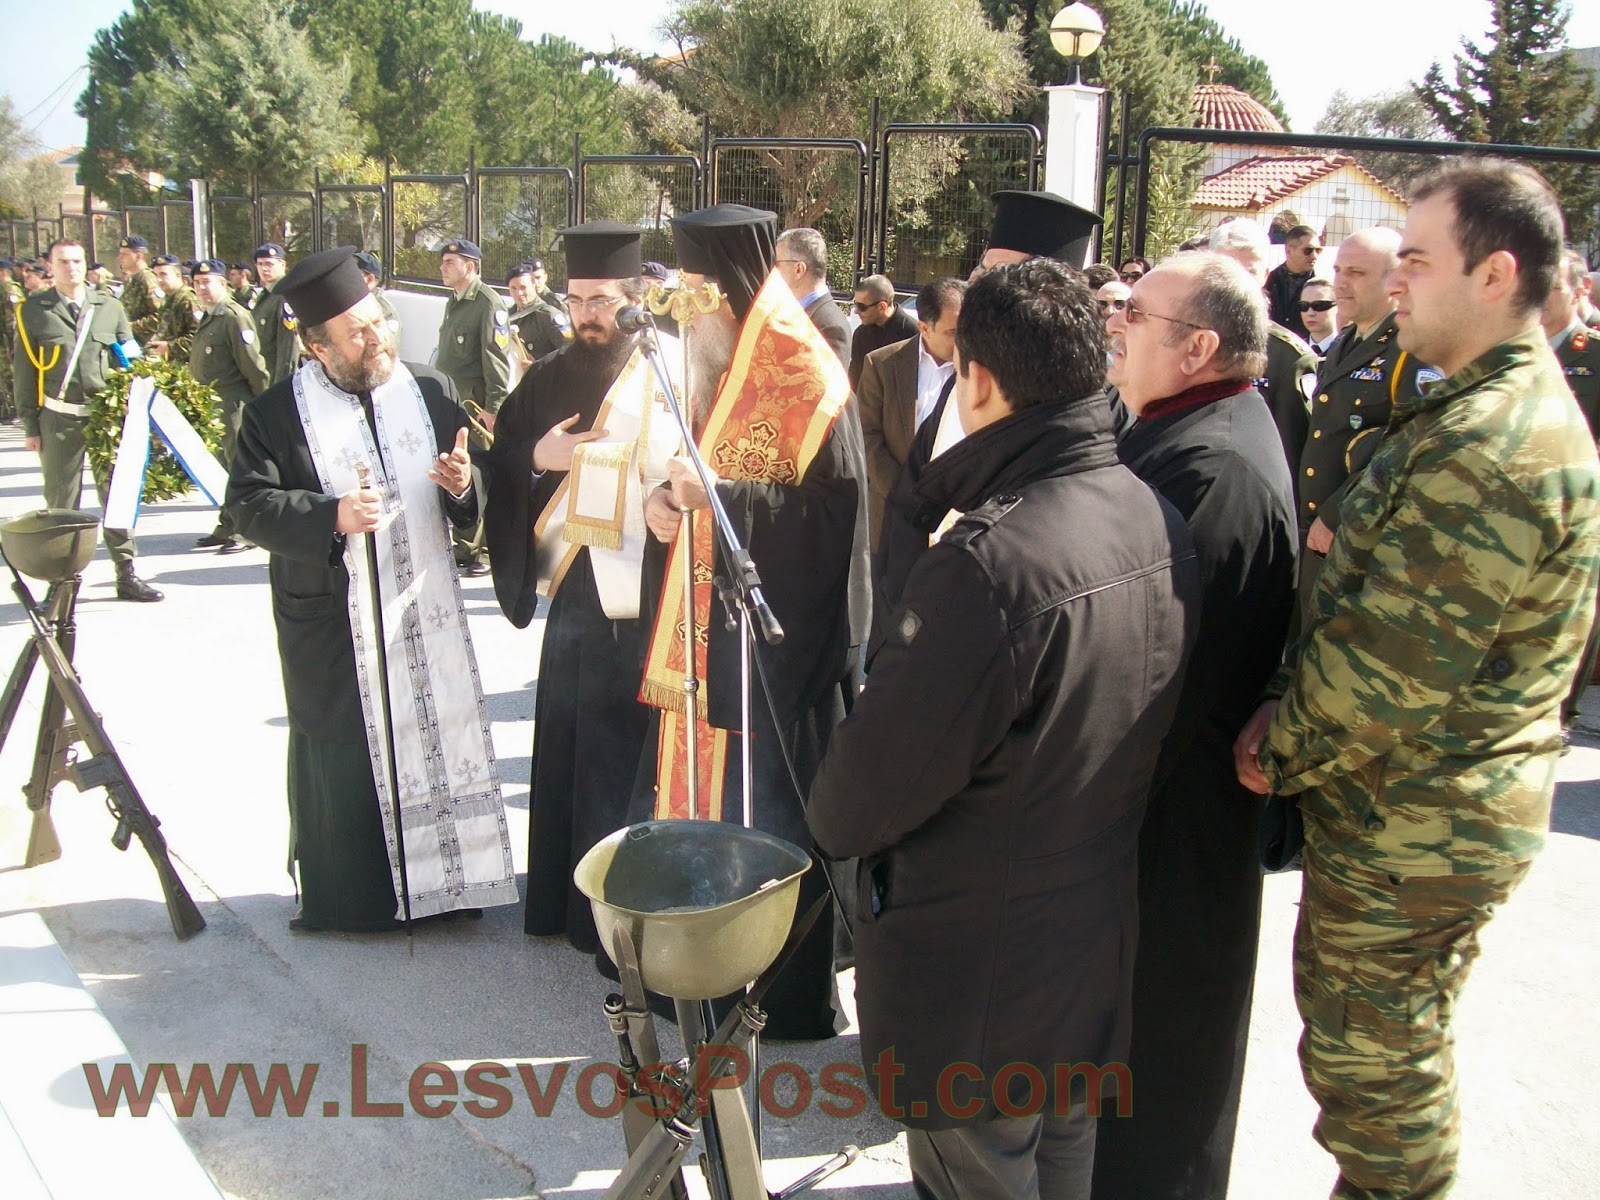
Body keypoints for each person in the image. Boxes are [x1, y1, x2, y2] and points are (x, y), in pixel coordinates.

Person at [1234, 158, 1600, 1200]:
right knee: (1380, 1057)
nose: (1397, 282)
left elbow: (1388, 671)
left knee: (1377, 1074)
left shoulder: (1492, 444)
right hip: (1411, 810)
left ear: (1494, 275)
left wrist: (1278, 743)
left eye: (1418, 261)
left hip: (1420, 823)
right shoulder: (1470, 409)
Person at [809, 259, 1200, 1197]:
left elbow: (855, 799)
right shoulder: (1149, 511)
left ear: (977, 379)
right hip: (1079, 943)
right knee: (1060, 1169)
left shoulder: (992, 563)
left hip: (975, 974)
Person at [225, 246, 518, 933]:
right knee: (346, 753)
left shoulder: (430, 387)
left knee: (436, 738)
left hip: (424, 609)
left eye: (377, 321)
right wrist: (329, 516)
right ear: (317, 346)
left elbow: (474, 490)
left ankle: (450, 888)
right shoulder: (273, 415)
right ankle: (355, 903)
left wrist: (462, 487)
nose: (377, 338)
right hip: (333, 618)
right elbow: (247, 504)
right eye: (356, 333)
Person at [635, 203, 870, 1040]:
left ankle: (782, 993)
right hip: (708, 643)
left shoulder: (803, 372)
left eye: (695, 295)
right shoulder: (716, 360)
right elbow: (693, 464)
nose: (684, 314)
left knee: (775, 816)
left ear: (730, 289)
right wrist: (667, 502)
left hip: (778, 650)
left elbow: (833, 518)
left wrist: (720, 499)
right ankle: (697, 965)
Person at [1092, 252, 1298, 1198]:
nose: (1116, 324)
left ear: (1199, 346)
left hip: (1172, 818)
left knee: (1163, 1052)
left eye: (1136, 312)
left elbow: (1164, 672)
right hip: (1153, 812)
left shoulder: (1211, 464)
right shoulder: (1182, 428)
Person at [480, 221, 680, 952]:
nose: (586, 314)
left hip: (654, 593)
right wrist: (540, 453)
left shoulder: (668, 372)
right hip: (578, 597)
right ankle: (571, 906)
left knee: (634, 751)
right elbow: (500, 460)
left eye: (601, 299)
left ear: (636, 300)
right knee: (575, 744)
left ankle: (635, 901)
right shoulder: (546, 376)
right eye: (576, 299)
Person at [875, 190, 1101, 639]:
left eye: (997, 273)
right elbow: (910, 501)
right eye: (982, 268)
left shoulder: (1083, 408)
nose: (977, 284)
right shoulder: (964, 376)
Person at [13, 239, 162, 602]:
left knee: (117, 495)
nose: (72, 267)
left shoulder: (109, 306)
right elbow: (24, 372)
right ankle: (61, 583)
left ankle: (126, 573)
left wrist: (143, 405)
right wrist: (31, 426)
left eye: (77, 261)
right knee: (62, 503)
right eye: (63, 261)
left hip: (104, 419)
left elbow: (131, 357)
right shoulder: (34, 311)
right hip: (58, 419)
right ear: (51, 266)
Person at [1298, 228, 1435, 616]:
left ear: (1395, 281)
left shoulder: (1409, 349)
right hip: (1321, 531)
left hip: (1358, 534)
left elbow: (1405, 444)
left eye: (1356, 273)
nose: (1341, 283)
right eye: (1339, 269)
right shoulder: (1346, 341)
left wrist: (1334, 514)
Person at [856, 276, 964, 546]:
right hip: (892, 517)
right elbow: (866, 435)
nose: (962, 340)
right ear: (925, 328)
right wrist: (904, 493)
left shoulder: (978, 372)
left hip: (954, 522)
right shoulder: (883, 365)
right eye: (952, 332)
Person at [1209, 218, 1319, 475]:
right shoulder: (1178, 338)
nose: (1235, 283)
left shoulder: (1288, 357)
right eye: (1225, 270)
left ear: (1265, 275)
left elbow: (1292, 451)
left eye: (1248, 272)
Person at [434, 238, 511, 577]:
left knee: (473, 470)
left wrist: (494, 408)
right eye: (443, 261)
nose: (442, 267)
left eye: (450, 261)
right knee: (457, 468)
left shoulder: (487, 304)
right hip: (453, 400)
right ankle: (465, 545)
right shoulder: (454, 302)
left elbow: (497, 361)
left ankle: (471, 551)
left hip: (475, 406)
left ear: (470, 266)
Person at [189, 259, 269, 554]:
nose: (202, 288)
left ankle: (248, 531)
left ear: (223, 284)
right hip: (213, 405)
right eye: (197, 283)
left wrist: (262, 407)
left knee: (241, 470)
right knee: (222, 469)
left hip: (233, 404)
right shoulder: (210, 317)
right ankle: (228, 524)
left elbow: (253, 367)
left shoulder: (234, 316)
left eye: (208, 282)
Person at [774, 226, 850, 367]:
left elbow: (829, 386)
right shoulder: (790, 311)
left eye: (777, 264)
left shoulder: (830, 326)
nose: (773, 272)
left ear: (798, 269)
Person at [847, 273, 917, 390]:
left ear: (882, 307)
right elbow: (855, 378)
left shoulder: (913, 333)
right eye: (856, 305)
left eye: (862, 306)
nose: (856, 311)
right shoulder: (861, 333)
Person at [251, 243, 299, 385]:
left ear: (282, 265)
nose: (264, 269)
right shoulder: (265, 296)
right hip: (263, 378)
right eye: (260, 264)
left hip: (276, 380)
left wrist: (282, 386)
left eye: (269, 264)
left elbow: (288, 348)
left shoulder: (285, 295)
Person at [1266, 223, 1323, 338]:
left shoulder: (1320, 288)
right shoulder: (1267, 282)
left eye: (1318, 250)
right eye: (1308, 250)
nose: (1314, 256)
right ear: (1289, 251)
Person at [504, 261, 567, 363]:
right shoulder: (507, 315)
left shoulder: (549, 316)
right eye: (513, 288)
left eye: (523, 287)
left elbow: (569, 352)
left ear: (534, 285)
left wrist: (538, 366)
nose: (519, 293)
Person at [145, 254, 198, 363]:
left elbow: (198, 336)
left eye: (163, 274)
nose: (159, 279)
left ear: (178, 275)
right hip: (170, 363)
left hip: (187, 366)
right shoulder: (168, 298)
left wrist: (170, 347)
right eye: (156, 275)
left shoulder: (188, 299)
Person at [116, 235, 161, 342]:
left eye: (124, 254)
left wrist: (128, 326)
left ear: (139, 256)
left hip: (145, 345)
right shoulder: (132, 279)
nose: (119, 258)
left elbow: (160, 317)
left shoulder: (147, 279)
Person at [354, 251, 400, 340]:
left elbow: (386, 344)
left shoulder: (385, 312)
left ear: (370, 279)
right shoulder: (352, 303)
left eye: (354, 275)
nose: (348, 279)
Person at [1298, 277, 1339, 355]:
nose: (1310, 313)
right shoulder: (1292, 352)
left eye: (1319, 305)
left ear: (1338, 306)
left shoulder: (1348, 350)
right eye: (1304, 306)